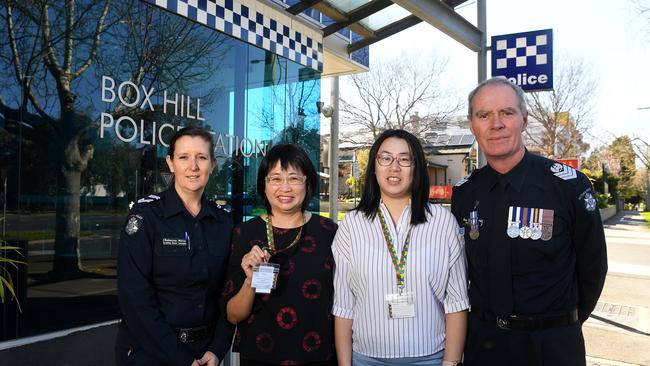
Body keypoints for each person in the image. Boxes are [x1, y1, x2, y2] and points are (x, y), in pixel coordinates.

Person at [451, 77, 608, 365]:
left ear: (524, 119)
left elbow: (593, 268)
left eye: (507, 113)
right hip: (484, 347)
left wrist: (561, 324)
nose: (495, 124)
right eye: (484, 115)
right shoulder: (464, 193)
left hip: (552, 347)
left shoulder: (567, 186)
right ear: (473, 126)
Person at [332, 129, 469, 366]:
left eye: (404, 159)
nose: (394, 167)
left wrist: (450, 363)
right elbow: (344, 305)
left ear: (416, 168)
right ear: (374, 166)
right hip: (366, 359)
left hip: (431, 358)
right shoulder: (351, 226)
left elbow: (456, 302)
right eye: (385, 158)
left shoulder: (443, 222)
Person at [116, 126, 234, 366]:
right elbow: (135, 300)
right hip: (151, 354)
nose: (193, 166)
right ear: (170, 163)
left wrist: (217, 349)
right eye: (183, 157)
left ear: (212, 165)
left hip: (205, 355)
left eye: (201, 158)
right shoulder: (146, 217)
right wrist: (181, 359)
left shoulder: (223, 222)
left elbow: (228, 293)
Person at [222, 144, 338, 366]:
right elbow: (233, 316)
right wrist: (250, 281)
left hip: (319, 356)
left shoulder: (328, 231)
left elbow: (344, 302)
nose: (285, 188)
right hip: (261, 357)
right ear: (264, 185)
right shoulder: (244, 233)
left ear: (307, 183)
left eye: (294, 178)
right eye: (275, 179)